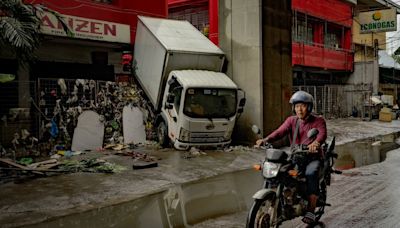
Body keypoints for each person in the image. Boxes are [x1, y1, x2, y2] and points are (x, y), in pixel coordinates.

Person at [255, 90, 327, 225]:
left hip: (313, 157)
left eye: (303, 106)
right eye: (296, 106)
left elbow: (321, 134)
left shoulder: (318, 121)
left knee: (311, 173)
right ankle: (284, 198)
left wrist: (315, 143)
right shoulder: (291, 121)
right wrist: (265, 140)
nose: (299, 109)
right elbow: (279, 132)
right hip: (296, 155)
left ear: (309, 107)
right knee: (281, 171)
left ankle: (311, 210)